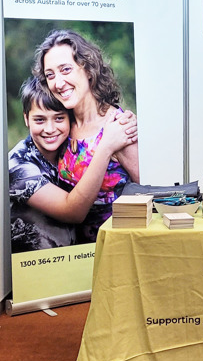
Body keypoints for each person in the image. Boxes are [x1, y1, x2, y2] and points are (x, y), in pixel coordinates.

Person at [34, 29, 139, 243]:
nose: (58, 83)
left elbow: (151, 192)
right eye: (50, 75)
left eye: (66, 70)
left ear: (89, 70)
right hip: (72, 254)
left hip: (115, 247)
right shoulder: (61, 126)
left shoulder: (117, 127)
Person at [9, 77, 137, 253]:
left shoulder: (70, 146)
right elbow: (73, 212)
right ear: (26, 119)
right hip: (37, 265)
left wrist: (125, 122)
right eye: (39, 120)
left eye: (59, 118)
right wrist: (106, 146)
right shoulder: (18, 166)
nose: (50, 129)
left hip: (80, 257)